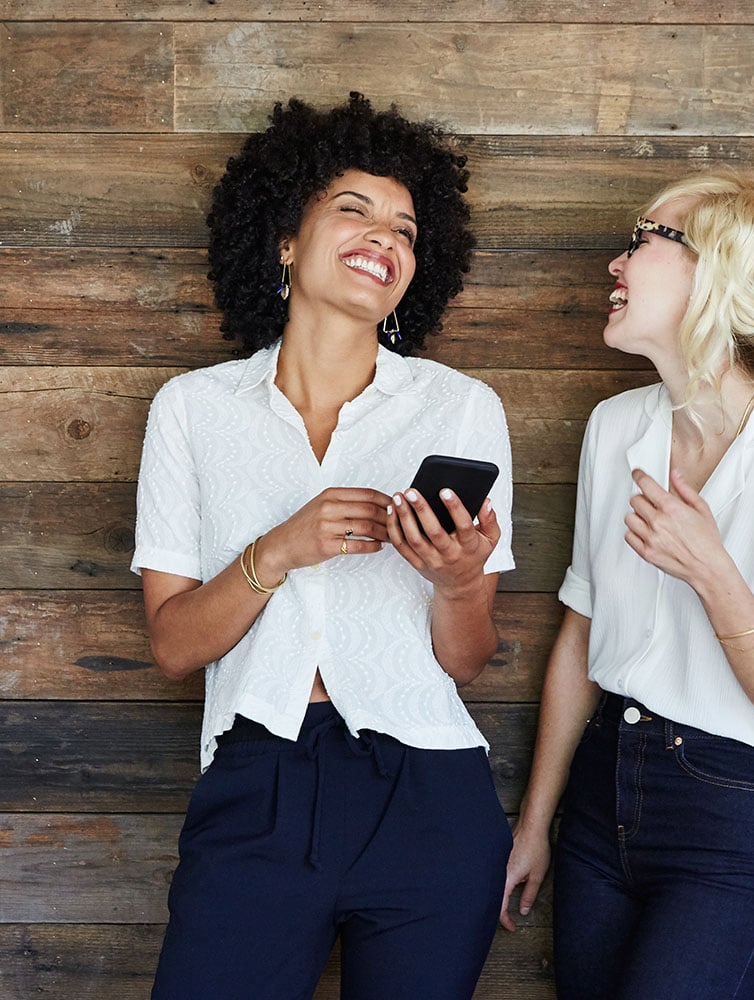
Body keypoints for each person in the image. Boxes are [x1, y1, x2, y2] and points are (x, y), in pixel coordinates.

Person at [132, 94, 515, 1000]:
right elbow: (174, 645)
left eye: (407, 229)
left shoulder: (461, 408)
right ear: (284, 241)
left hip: (429, 794)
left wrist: (459, 582)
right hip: (257, 782)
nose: (386, 235)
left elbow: (466, 659)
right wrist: (280, 549)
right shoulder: (191, 411)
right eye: (354, 207)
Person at [501, 174, 754, 999]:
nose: (616, 259)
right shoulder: (616, 429)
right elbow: (581, 640)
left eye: (643, 238)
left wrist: (712, 572)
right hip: (601, 800)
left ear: (718, 273)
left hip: (731, 820)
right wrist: (536, 827)